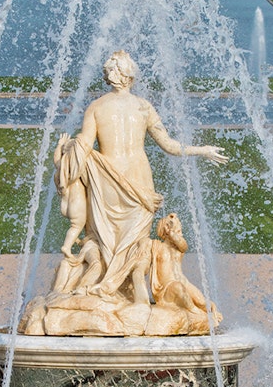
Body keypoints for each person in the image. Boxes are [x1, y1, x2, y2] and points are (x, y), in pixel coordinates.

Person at [54, 50, 226, 305]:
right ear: (129, 75)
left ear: (116, 75)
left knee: (107, 240)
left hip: (109, 180)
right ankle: (125, 293)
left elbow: (83, 148)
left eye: (110, 71)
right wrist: (201, 150)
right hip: (140, 181)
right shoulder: (143, 107)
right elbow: (169, 145)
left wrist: (63, 156)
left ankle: (107, 290)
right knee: (135, 242)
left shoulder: (97, 107)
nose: (109, 75)